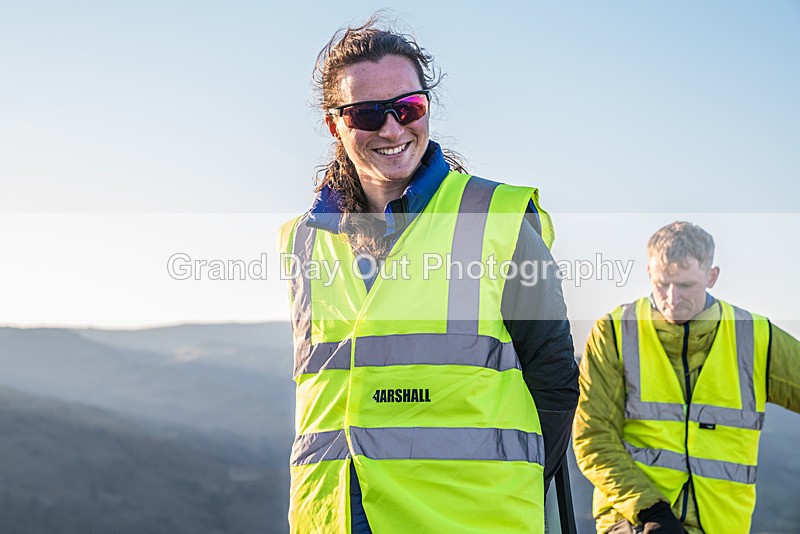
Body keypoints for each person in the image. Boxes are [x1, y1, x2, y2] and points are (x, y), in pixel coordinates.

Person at [277, 15, 578, 534]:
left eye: (409, 107)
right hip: (330, 518)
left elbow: (553, 382)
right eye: (368, 114)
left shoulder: (494, 218)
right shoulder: (303, 239)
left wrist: (510, 488)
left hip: (470, 520)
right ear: (335, 125)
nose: (393, 129)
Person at [572, 221, 800, 534]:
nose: (671, 298)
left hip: (722, 525)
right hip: (634, 519)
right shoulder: (613, 331)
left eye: (685, 286)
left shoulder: (756, 336)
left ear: (712, 276)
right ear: (649, 273)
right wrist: (650, 509)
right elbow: (593, 438)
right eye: (662, 283)